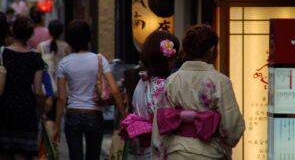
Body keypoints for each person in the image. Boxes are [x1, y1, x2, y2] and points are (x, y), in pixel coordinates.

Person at [151, 24, 245, 160]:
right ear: (212, 49)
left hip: (176, 153)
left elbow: (160, 124)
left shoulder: (172, 81)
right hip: (209, 153)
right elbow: (232, 129)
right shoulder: (220, 82)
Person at [53, 20, 126, 160]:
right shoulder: (99, 59)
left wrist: (57, 125)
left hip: (73, 114)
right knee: (93, 157)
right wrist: (123, 116)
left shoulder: (64, 63)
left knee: (75, 156)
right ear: (88, 38)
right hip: (94, 115)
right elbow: (115, 91)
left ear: (69, 40)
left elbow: (62, 98)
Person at [121, 31, 180, 160]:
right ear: (166, 58)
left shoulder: (142, 81)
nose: (176, 60)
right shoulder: (163, 85)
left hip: (141, 149)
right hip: (156, 148)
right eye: (174, 57)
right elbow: (164, 120)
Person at [0, 15, 45, 159]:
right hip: (27, 110)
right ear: (30, 34)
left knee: (4, 153)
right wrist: (42, 112)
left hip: (4, 108)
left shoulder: (2, 53)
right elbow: (38, 91)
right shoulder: (36, 58)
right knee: (23, 154)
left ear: (13, 31)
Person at [36, 19, 70, 157]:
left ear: (49, 31)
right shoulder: (66, 47)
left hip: (46, 92)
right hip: (62, 92)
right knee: (57, 123)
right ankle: (53, 151)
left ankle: (46, 153)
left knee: (47, 123)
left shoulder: (41, 46)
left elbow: (41, 72)